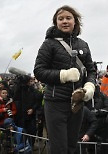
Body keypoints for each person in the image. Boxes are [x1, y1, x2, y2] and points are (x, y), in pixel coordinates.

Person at [33, 5, 96, 154]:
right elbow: (39, 71)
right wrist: (64, 75)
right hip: (55, 103)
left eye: (68, 18)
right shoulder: (49, 44)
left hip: (77, 104)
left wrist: (89, 87)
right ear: (56, 23)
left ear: (75, 21)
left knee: (71, 147)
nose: (65, 21)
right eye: (60, 19)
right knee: (59, 148)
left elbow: (91, 71)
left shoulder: (83, 44)